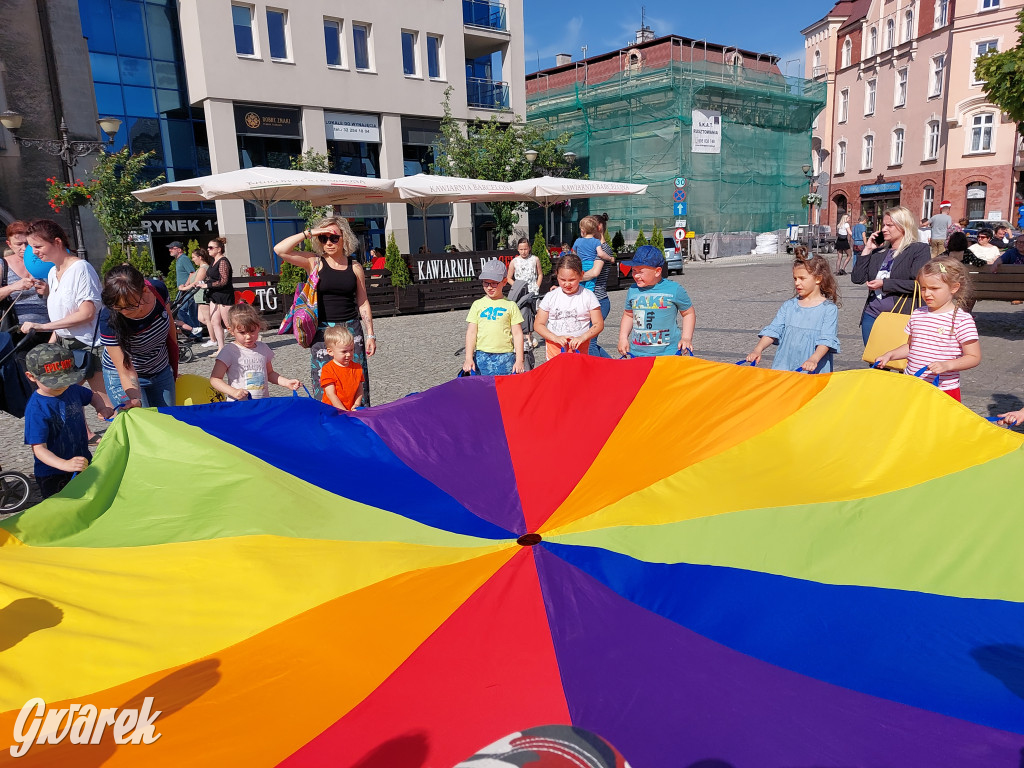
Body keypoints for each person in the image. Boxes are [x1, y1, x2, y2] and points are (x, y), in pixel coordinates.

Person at [273, 216, 376, 402]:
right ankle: (327, 422)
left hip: (351, 329)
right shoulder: (314, 262)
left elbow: (362, 302)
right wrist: (310, 233)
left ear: (344, 237)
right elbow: (279, 250)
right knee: (324, 382)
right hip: (323, 331)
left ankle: (358, 421)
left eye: (334, 237)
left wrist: (371, 334)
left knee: (356, 380)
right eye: (323, 238)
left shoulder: (355, 267)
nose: (329, 242)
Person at [17, 219, 108, 410]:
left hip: (90, 345)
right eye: (31, 247)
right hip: (66, 345)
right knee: (63, 398)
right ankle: (84, 436)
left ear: (57, 242)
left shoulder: (81, 269)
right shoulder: (52, 272)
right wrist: (51, 344)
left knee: (106, 405)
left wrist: (42, 326)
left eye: (38, 246)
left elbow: (87, 313)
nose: (34, 252)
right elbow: (62, 317)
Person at [874, 258, 980, 402]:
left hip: (942, 390)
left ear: (954, 288)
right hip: (912, 384)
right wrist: (890, 355)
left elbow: (973, 357)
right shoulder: (918, 313)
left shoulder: (962, 320)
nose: (927, 293)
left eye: (934, 288)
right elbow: (911, 346)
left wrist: (947, 365)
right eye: (923, 288)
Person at [22, 343, 113, 499]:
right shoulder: (36, 408)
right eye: (54, 382)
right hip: (53, 474)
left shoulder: (71, 389)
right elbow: (39, 449)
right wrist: (64, 464)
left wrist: (101, 407)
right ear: (31, 377)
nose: (62, 385)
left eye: (66, 379)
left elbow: (91, 395)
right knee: (61, 510)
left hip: (82, 461)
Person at [745, 254, 841, 373]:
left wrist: (814, 359)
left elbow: (827, 339)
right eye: (795, 278)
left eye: (802, 278)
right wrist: (757, 349)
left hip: (812, 369)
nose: (797, 283)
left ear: (818, 278)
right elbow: (774, 330)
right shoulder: (789, 306)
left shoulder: (828, 309)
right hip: (785, 365)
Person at [99, 264, 178, 409]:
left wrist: (174, 364)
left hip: (160, 368)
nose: (124, 312)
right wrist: (135, 398)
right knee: (140, 421)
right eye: (118, 307)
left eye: (130, 306)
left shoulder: (158, 290)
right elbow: (125, 369)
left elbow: (170, 327)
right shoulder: (108, 318)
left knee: (167, 420)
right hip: (124, 375)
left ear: (145, 290)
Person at [851, 205, 931, 345]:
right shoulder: (879, 252)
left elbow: (919, 285)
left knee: (899, 362)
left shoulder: (918, 250)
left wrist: (885, 284)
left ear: (903, 226)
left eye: (890, 225)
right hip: (872, 314)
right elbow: (857, 278)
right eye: (883, 225)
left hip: (900, 316)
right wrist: (867, 249)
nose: (884, 229)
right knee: (874, 362)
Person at [617, 245, 696, 357]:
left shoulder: (674, 289)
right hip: (637, 354)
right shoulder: (633, 290)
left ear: (657, 271)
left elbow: (688, 313)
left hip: (668, 354)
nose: (636, 275)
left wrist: (686, 338)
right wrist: (623, 338)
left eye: (640, 271)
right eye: (634, 270)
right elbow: (628, 315)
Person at [210, 302, 298, 401]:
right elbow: (215, 379)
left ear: (258, 327)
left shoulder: (263, 348)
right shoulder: (229, 351)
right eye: (242, 333)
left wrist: (286, 382)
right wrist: (233, 392)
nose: (248, 337)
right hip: (239, 405)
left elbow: (270, 373)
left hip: (262, 404)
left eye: (252, 331)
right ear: (231, 331)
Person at [463, 259, 525, 375]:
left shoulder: (511, 306)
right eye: (486, 283)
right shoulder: (477, 305)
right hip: (482, 356)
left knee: (504, 390)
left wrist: (519, 360)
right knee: (483, 390)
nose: (489, 287)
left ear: (504, 281)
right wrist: (468, 358)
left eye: (494, 283)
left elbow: (517, 334)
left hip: (506, 356)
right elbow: (471, 332)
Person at [535, 253, 602, 360]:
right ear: (556, 275)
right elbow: (538, 324)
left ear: (581, 275)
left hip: (580, 349)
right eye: (562, 280)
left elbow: (598, 324)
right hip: (555, 350)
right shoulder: (551, 296)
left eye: (572, 280)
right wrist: (555, 338)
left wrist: (583, 337)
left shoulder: (588, 296)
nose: (567, 284)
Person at [0, 220, 50, 358]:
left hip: (49, 328)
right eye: (18, 244)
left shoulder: (46, 260)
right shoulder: (3, 265)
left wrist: (48, 291)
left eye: (27, 243)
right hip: (18, 332)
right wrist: (13, 287)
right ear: (9, 244)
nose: (24, 248)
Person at [573, 213, 615, 357]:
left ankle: (600, 373)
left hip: (598, 299)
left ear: (598, 227)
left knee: (589, 342)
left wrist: (571, 280)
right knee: (588, 342)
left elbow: (594, 272)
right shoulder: (588, 245)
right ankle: (612, 366)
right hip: (588, 300)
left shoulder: (603, 248)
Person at [197, 236, 234, 352]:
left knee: (228, 323)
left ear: (219, 249)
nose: (208, 250)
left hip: (224, 295)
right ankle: (221, 348)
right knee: (214, 321)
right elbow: (212, 277)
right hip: (214, 295)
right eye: (208, 248)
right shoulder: (214, 262)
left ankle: (251, 338)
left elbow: (224, 281)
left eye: (211, 247)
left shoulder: (223, 261)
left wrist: (207, 285)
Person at [506, 237, 541, 347]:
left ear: (529, 248)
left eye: (525, 249)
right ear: (518, 249)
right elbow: (509, 278)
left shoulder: (535, 259)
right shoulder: (514, 262)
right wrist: (517, 287)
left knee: (534, 313)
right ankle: (524, 336)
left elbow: (540, 274)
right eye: (521, 249)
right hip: (520, 293)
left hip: (533, 291)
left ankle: (530, 334)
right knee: (523, 313)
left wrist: (537, 286)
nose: (523, 251)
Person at [320, 325, 365, 410]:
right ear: (330, 352)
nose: (349, 354)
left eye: (351, 350)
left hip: (350, 410)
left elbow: (359, 389)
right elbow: (331, 394)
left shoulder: (357, 367)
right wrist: (343, 411)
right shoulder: (328, 369)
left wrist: (357, 403)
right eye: (344, 351)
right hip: (332, 411)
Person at [170, 240, 202, 339]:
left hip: (187, 290)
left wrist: (185, 286)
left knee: (181, 310)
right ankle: (197, 334)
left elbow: (192, 273)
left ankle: (193, 332)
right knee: (191, 312)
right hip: (186, 290)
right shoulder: (179, 260)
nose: (169, 250)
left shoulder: (183, 259)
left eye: (172, 248)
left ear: (179, 250)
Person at [186, 247, 216, 346]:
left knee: (208, 319)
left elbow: (196, 282)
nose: (193, 259)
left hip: (203, 295)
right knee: (201, 318)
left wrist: (183, 288)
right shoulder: (200, 268)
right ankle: (219, 331)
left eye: (194, 257)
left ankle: (213, 339)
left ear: (200, 257)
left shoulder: (204, 268)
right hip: (198, 297)